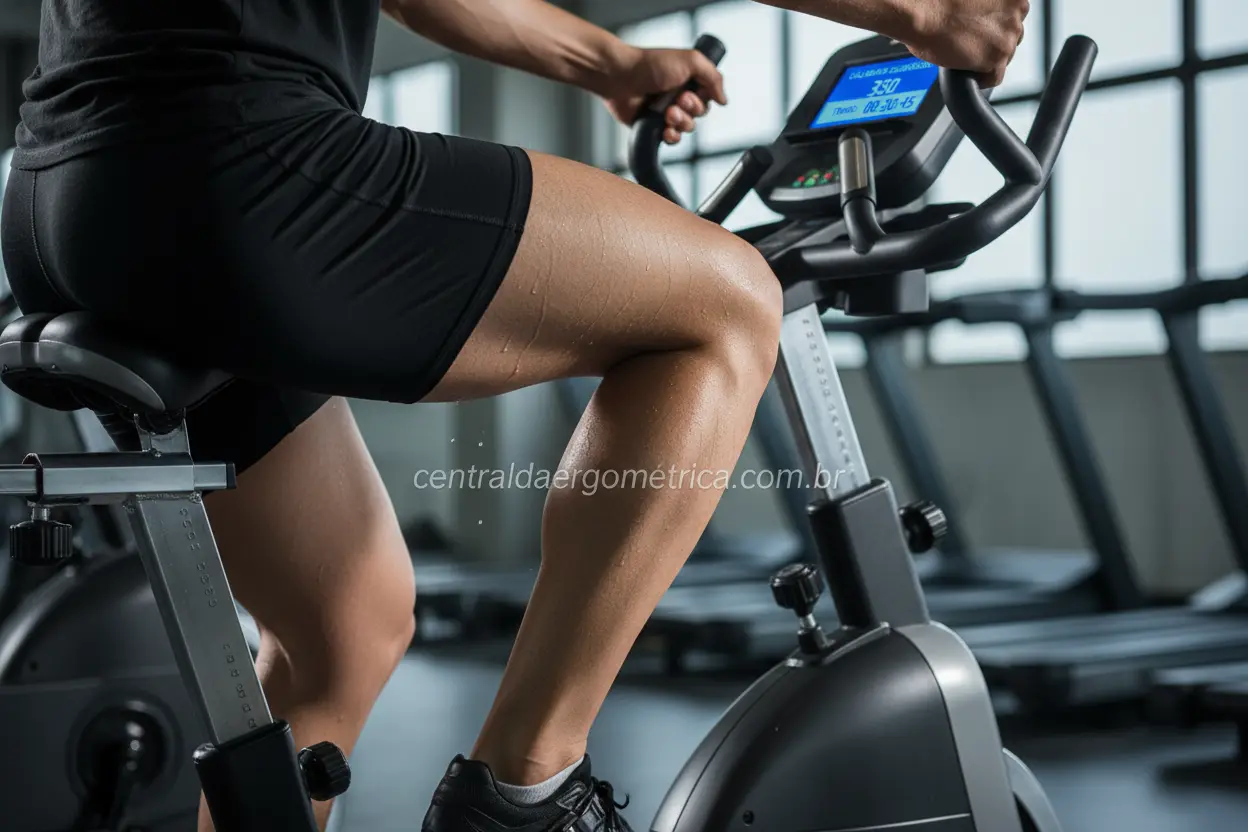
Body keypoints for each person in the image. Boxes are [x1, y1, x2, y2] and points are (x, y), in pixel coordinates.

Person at [0, 0, 1027, 829]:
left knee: (342, 624)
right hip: (230, 161)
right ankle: (524, 791)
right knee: (728, 302)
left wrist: (608, 62)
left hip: (70, 192)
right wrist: (921, 13)